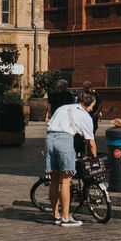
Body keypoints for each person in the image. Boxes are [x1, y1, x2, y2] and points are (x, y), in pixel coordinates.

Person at [44, 91, 97, 227]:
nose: (92, 109)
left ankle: (56, 216)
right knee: (66, 180)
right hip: (64, 139)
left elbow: (49, 125)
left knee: (54, 179)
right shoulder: (84, 115)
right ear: (88, 104)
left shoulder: (62, 108)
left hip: (50, 139)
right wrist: (95, 158)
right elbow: (91, 142)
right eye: (92, 106)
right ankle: (66, 218)